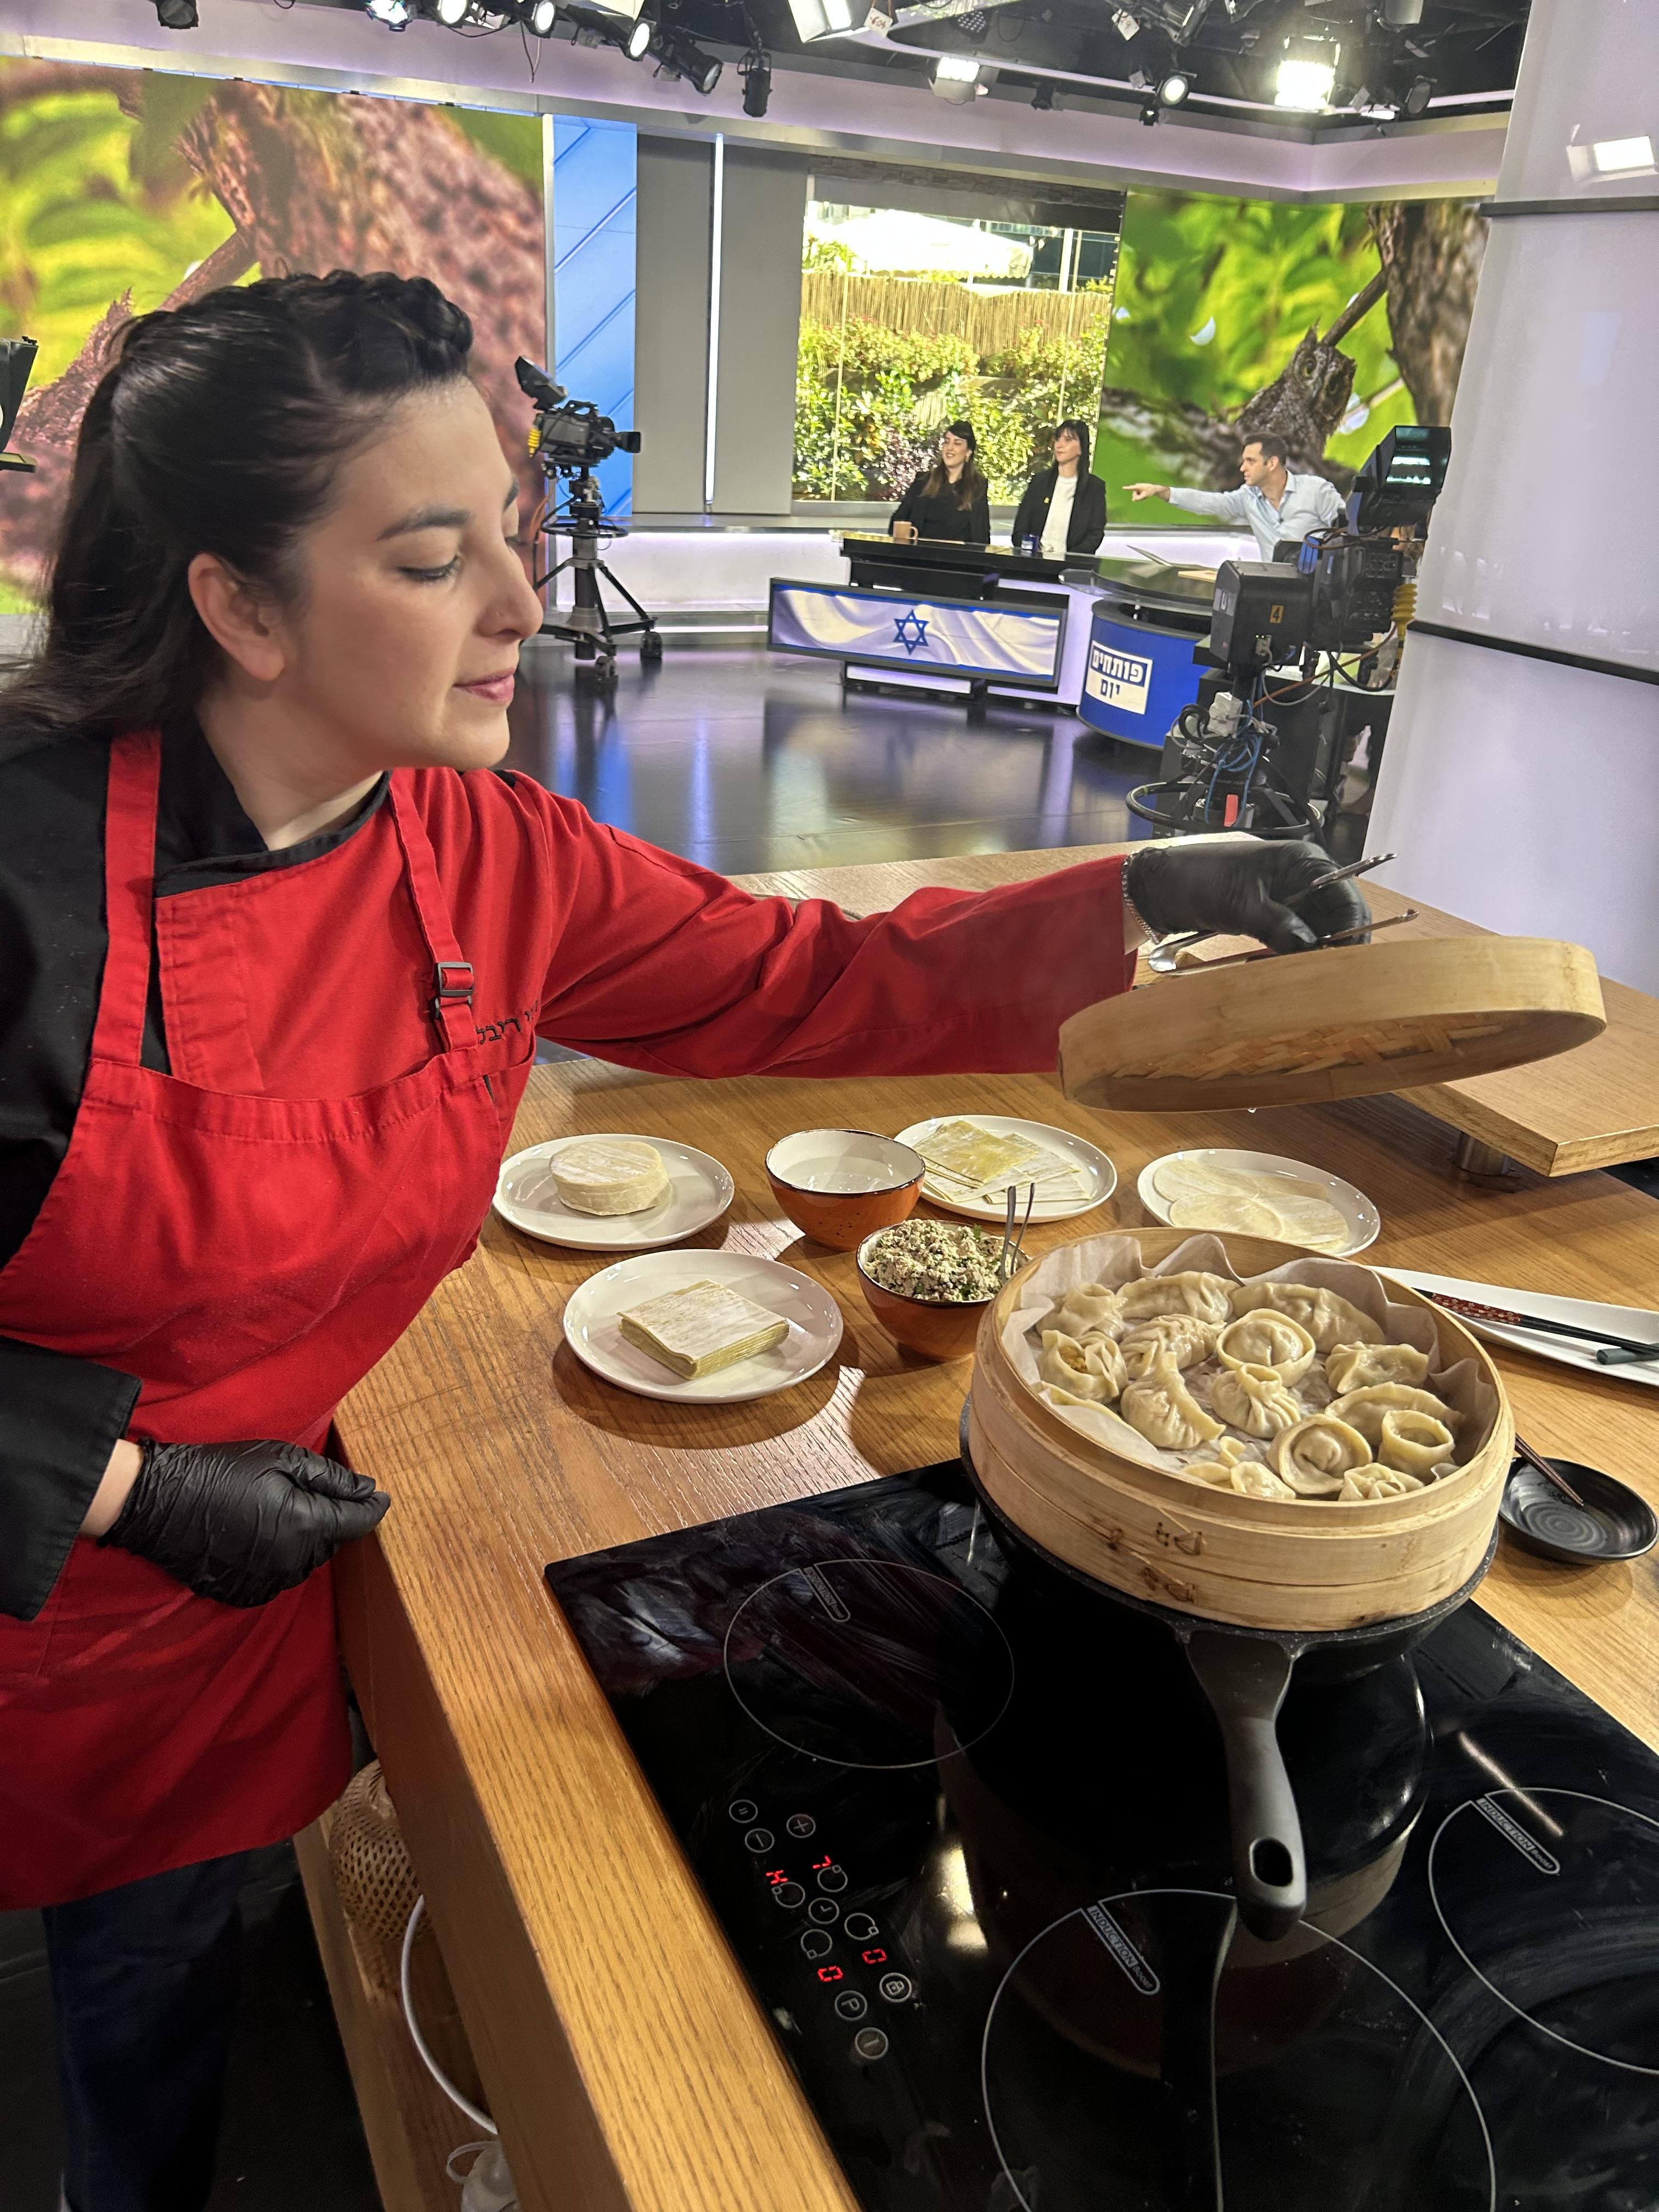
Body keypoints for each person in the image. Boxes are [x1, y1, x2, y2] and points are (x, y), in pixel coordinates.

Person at [0, 269, 1366, 2212]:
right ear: (241, 604)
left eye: (512, 531)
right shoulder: (28, 884)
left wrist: (1132, 891)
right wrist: (134, 1488)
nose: (520, 601)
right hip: (47, 1590)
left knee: (205, 1965)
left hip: (262, 1559)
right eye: (432, 558)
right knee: (127, 2015)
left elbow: (802, 979)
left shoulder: (486, 851)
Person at [1125, 432, 1346, 561]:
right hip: (1277, 591)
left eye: (1251, 461)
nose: (1242, 468)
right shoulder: (1247, 497)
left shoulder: (1317, 490)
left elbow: (1348, 532)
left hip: (1322, 593)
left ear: (1271, 464)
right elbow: (1210, 503)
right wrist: (1162, 491)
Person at [1012, 419, 1107, 558]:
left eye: (1068, 440)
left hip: (1073, 565)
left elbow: (1095, 535)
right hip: (1035, 562)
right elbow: (1020, 530)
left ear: (1081, 448)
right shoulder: (1040, 482)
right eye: (1058, 439)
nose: (1059, 445)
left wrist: (1069, 558)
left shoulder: (1094, 488)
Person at [888, 419, 990, 548]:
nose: (950, 448)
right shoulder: (923, 481)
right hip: (921, 556)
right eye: (947, 442)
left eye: (957, 443)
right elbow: (897, 522)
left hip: (958, 558)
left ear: (968, 452)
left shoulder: (978, 487)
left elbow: (982, 538)